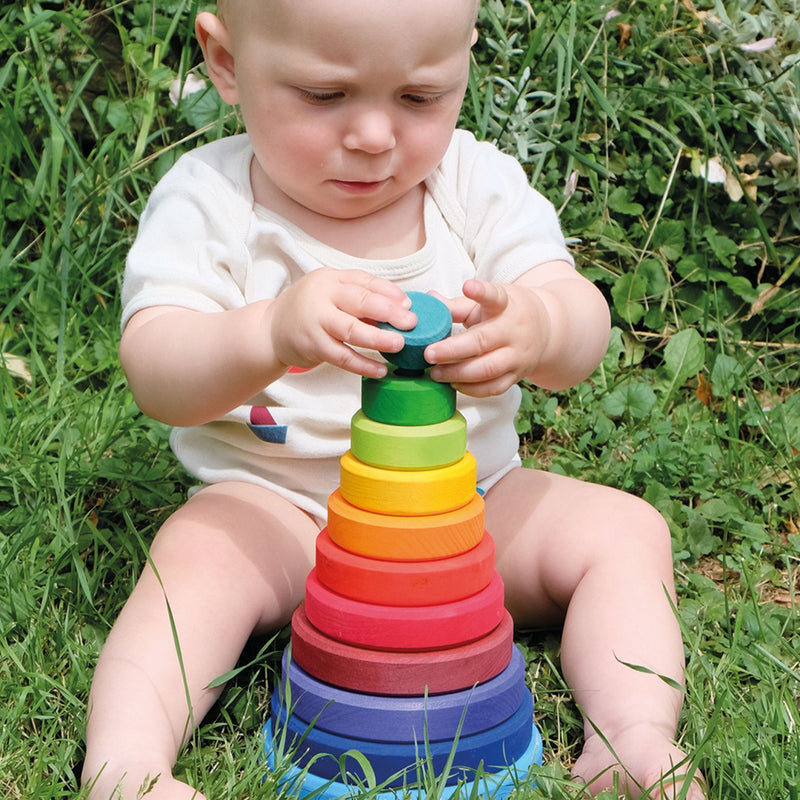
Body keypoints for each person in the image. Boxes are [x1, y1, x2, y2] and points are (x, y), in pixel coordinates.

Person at [81, 1, 705, 798]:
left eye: (418, 98)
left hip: (471, 517)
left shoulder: (472, 185)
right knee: (195, 559)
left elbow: (579, 323)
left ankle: (633, 740)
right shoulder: (209, 202)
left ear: (464, 63)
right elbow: (158, 371)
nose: (375, 136)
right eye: (323, 95)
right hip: (285, 517)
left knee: (626, 531)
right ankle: (127, 764)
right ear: (227, 61)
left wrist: (540, 326)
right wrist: (269, 332)